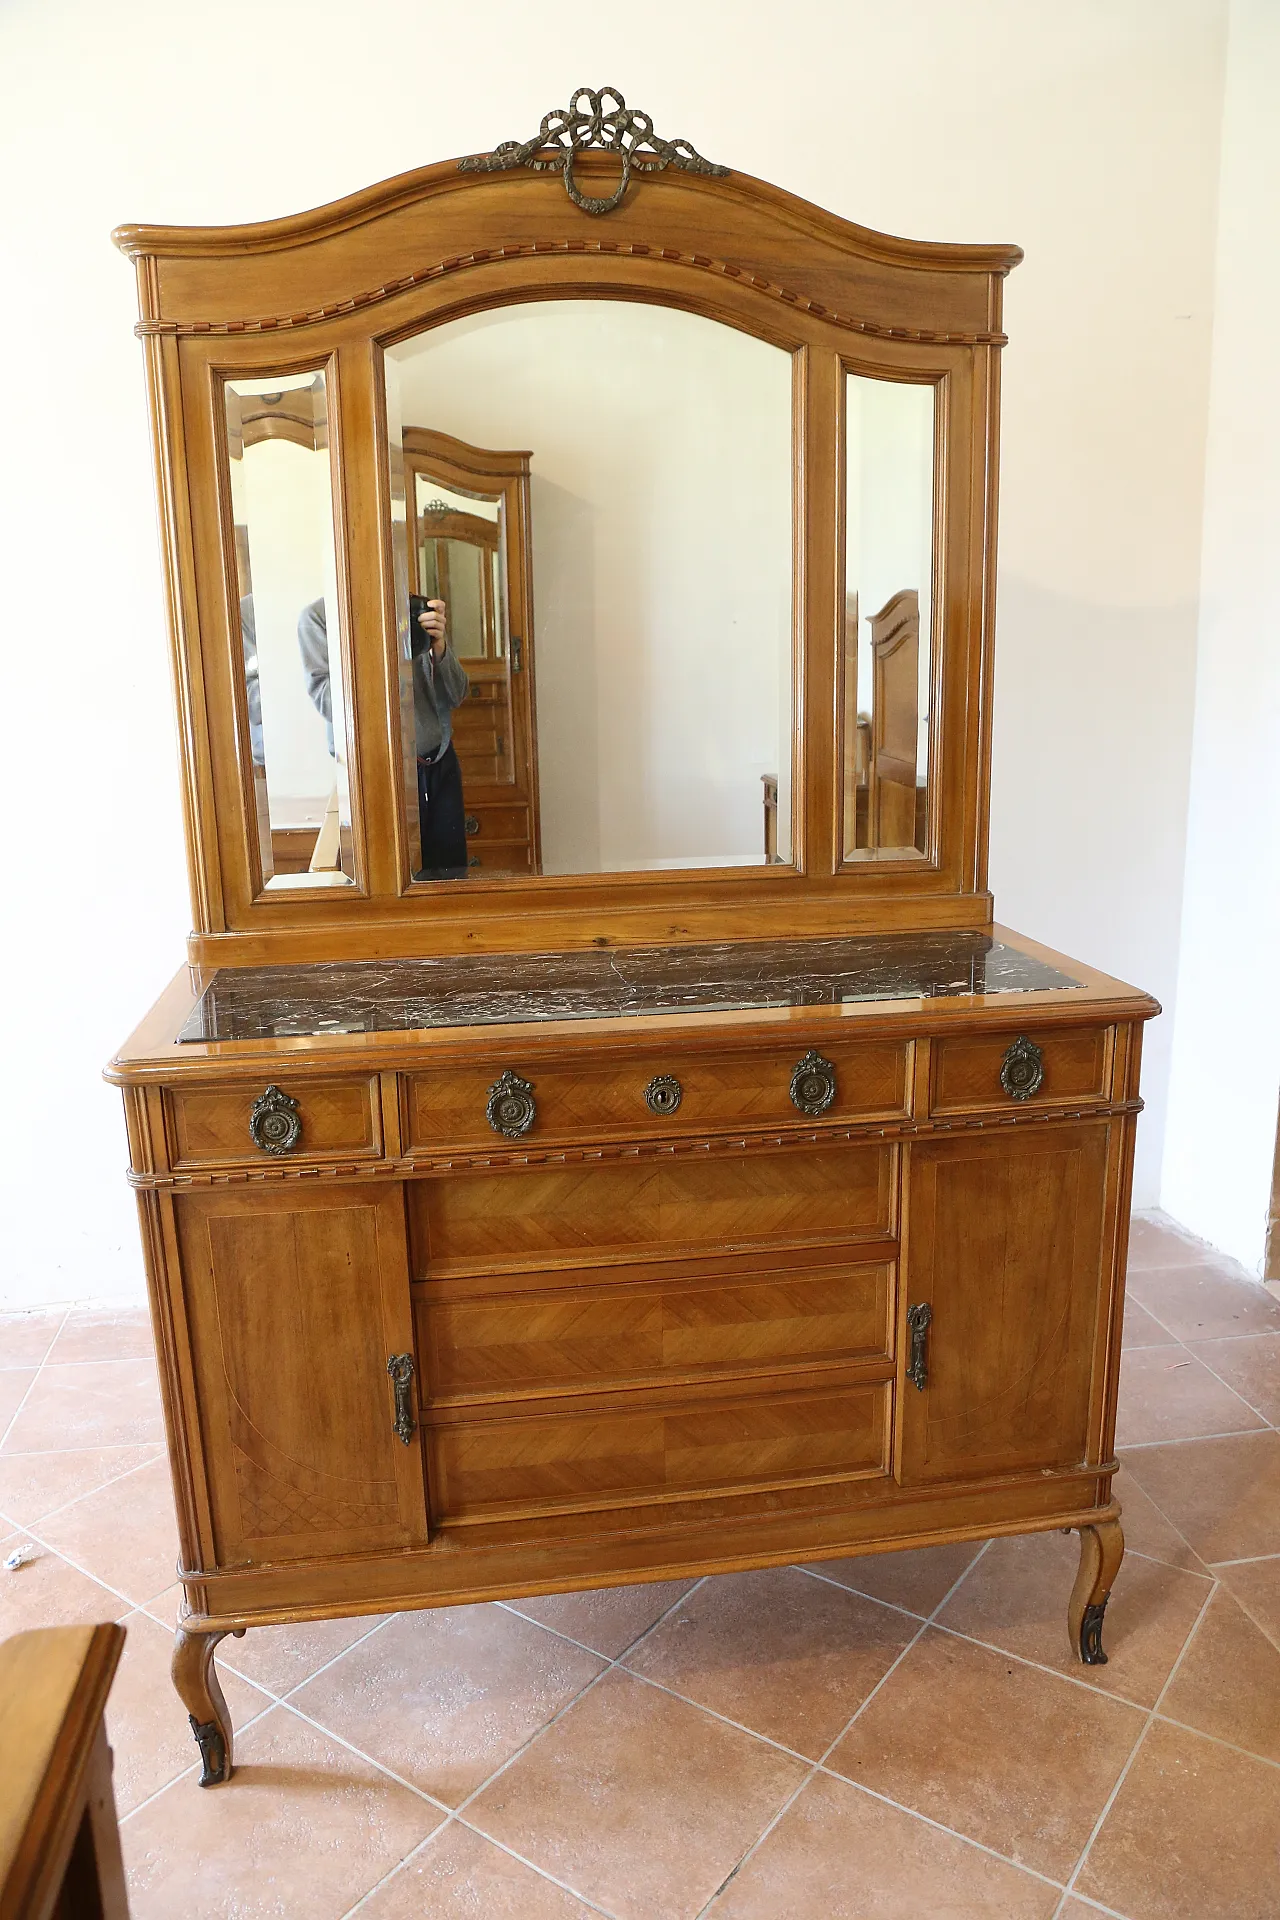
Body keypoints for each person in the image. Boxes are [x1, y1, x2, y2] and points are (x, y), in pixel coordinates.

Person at [295, 594, 470, 875]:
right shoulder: (319, 619)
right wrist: (375, 647)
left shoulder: (410, 608)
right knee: (394, 884)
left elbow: (457, 694)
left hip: (438, 764)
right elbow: (329, 705)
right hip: (375, 776)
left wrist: (440, 648)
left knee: (452, 880)